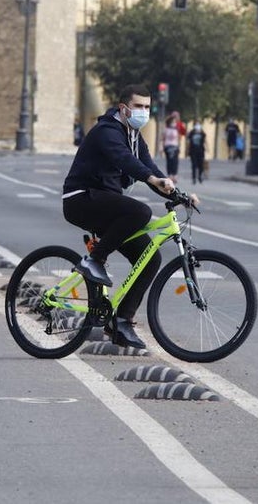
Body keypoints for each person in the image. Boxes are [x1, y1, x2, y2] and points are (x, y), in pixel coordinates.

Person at [62, 83, 197, 350]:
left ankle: (121, 322)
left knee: (150, 258)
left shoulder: (135, 136)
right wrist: (151, 178)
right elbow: (124, 160)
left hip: (106, 204)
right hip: (81, 198)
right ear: (123, 108)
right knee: (140, 211)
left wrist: (177, 194)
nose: (143, 111)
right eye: (138, 107)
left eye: (148, 107)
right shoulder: (107, 131)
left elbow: (149, 168)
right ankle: (94, 260)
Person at [162, 115, 181, 181]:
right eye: (173, 121)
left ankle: (175, 175)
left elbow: (178, 139)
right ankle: (170, 175)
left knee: (175, 161)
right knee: (169, 161)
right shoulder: (166, 129)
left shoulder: (176, 129)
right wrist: (162, 147)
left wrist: (179, 146)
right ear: (169, 122)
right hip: (168, 146)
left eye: (175, 121)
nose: (174, 123)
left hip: (175, 146)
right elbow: (163, 139)